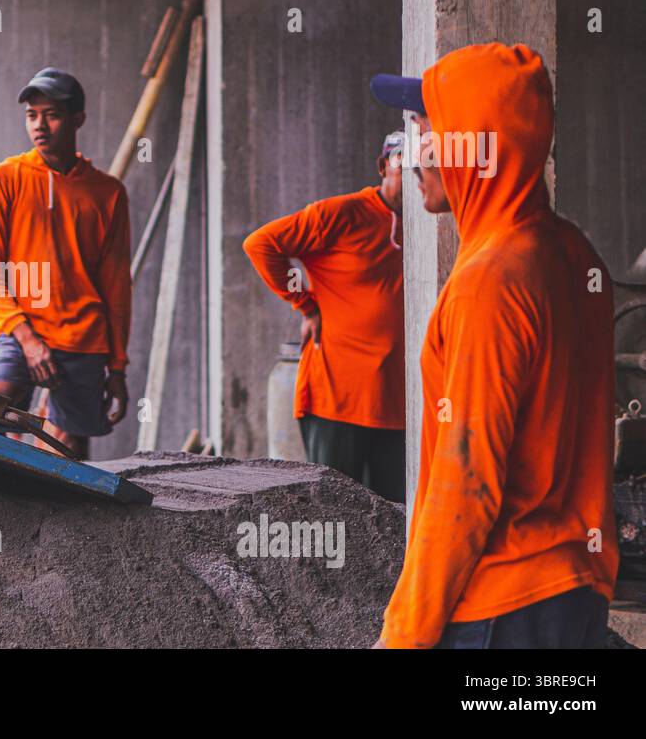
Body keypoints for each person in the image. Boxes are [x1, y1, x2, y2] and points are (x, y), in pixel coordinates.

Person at [370, 42, 618, 648]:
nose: (412, 148)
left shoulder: (491, 282)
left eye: (424, 127)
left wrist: (402, 636)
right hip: (571, 597)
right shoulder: (574, 255)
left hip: (502, 611)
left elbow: (466, 486)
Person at [0, 68, 131, 459]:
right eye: (31, 114)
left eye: (52, 114)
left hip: (83, 338)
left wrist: (118, 368)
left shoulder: (108, 193)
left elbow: (116, 286)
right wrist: (28, 341)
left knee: (68, 455)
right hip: (18, 329)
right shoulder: (1, 180)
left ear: (78, 119)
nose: (39, 125)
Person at [242, 132, 407, 501]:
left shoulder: (427, 223)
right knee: (337, 517)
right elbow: (261, 245)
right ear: (383, 167)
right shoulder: (343, 214)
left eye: (421, 168)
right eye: (402, 167)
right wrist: (306, 304)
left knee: (395, 521)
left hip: (399, 406)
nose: (412, 178)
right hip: (337, 402)